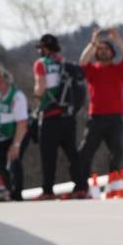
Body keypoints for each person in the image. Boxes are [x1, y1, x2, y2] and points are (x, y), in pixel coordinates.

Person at [78, 27, 123, 178]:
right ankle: (81, 185)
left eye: (106, 49)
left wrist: (117, 39)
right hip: (95, 118)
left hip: (115, 118)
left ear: (112, 52)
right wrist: (93, 43)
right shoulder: (92, 70)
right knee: (85, 153)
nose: (102, 51)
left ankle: (115, 183)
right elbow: (82, 62)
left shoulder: (119, 70)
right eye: (100, 49)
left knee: (117, 152)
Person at [32, 34, 82, 199]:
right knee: (72, 154)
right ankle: (80, 186)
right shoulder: (63, 62)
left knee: (48, 156)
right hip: (68, 116)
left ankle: (48, 191)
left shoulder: (41, 64)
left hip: (50, 115)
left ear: (44, 48)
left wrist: (36, 101)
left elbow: (41, 87)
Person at [0, 67, 28, 201]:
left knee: (14, 160)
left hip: (17, 133)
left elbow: (22, 123)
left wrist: (16, 145)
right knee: (0, 167)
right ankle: (10, 190)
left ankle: (17, 194)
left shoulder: (17, 96)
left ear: (6, 82)